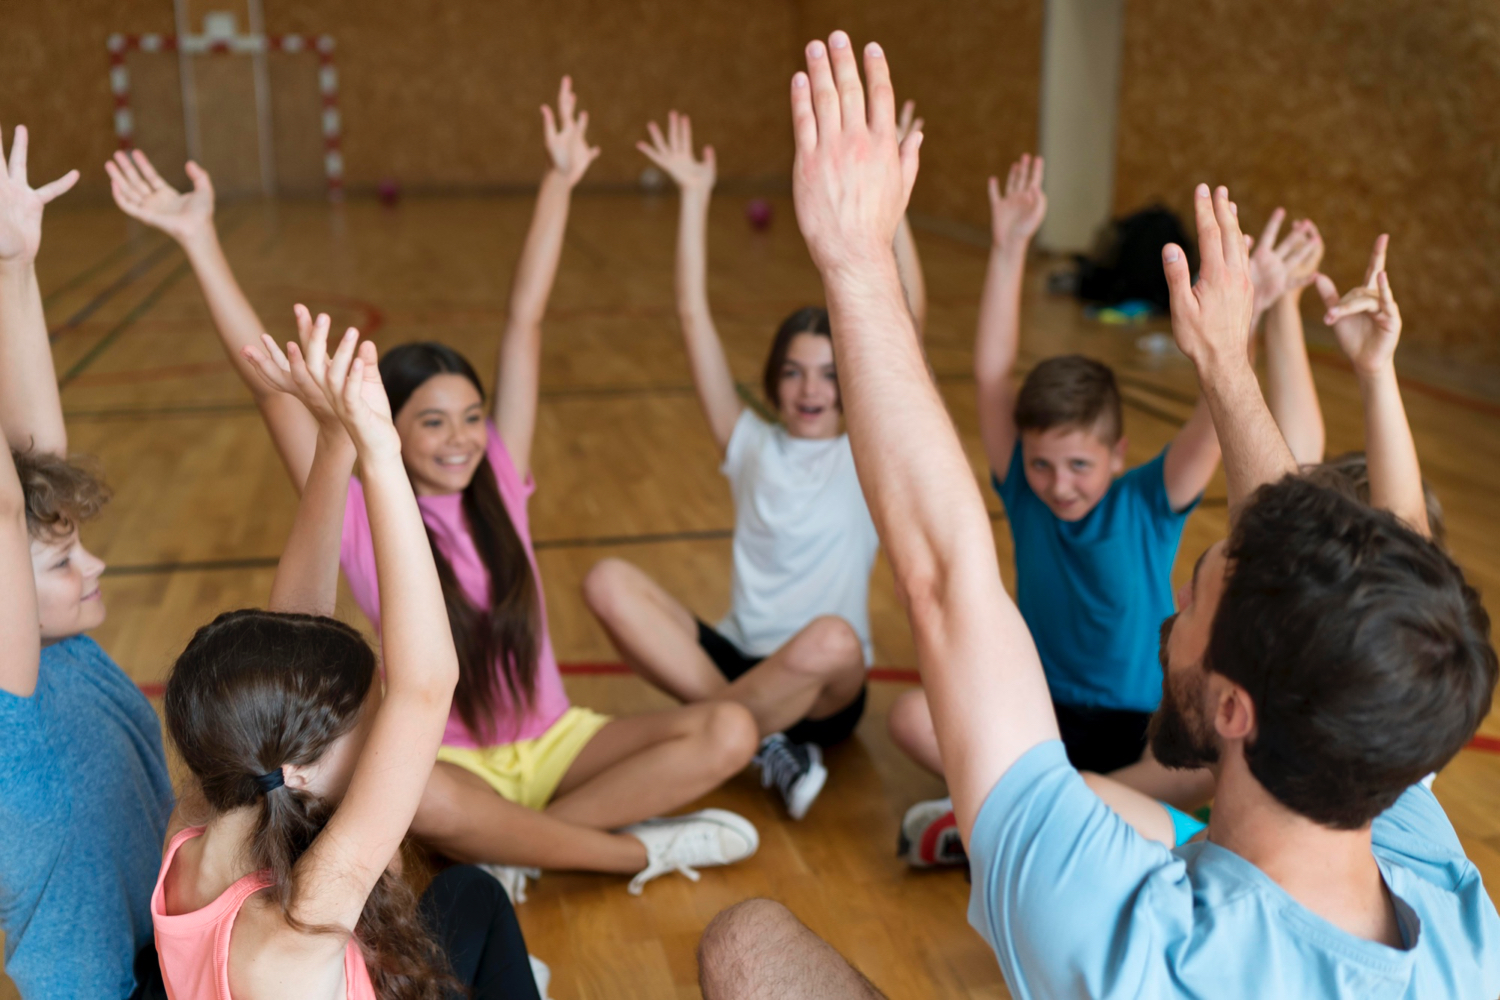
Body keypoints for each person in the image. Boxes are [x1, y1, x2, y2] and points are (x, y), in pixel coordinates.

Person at [698, 37, 1500, 998]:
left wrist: (855, 258)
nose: (1173, 620)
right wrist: (1226, 366)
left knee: (748, 943)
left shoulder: (1131, 936)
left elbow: (949, 575)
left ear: (1237, 708)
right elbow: (1331, 565)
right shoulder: (1442, 888)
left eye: (1200, 599)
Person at [108, 78, 759, 897]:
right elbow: (271, 388)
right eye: (433, 421)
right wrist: (199, 238)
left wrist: (560, 180)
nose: (461, 439)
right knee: (425, 796)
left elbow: (526, 318)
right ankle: (620, 850)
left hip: (558, 743)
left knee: (729, 729)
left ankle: (519, 849)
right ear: (390, 425)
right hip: (449, 764)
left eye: (472, 416)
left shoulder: (502, 482)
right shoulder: (358, 504)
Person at [155, 322, 540, 999]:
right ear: (300, 767)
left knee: (468, 895)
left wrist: (335, 444)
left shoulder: (194, 830)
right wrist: (382, 454)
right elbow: (426, 686)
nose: (378, 727)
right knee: (465, 895)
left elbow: (296, 636)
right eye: (364, 717)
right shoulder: (309, 913)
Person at [581, 105, 925, 819]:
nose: (810, 389)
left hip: (826, 688)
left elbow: (907, 323)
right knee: (607, 580)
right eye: (795, 372)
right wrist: (696, 197)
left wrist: (888, 209)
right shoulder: (748, 444)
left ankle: (716, 734)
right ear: (773, 379)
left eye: (830, 373)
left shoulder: (865, 450)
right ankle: (752, 740)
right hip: (737, 662)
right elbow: (691, 316)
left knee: (832, 638)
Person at [891, 146, 1222, 865]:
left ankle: (1032, 815)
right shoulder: (1024, 492)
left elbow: (1214, 420)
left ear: (1116, 453)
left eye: (1078, 465)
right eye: (1041, 464)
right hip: (1038, 717)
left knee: (1212, 765)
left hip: (1139, 727)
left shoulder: (1149, 499)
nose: (1058, 483)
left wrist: (1235, 326)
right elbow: (988, 374)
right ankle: (1083, 818)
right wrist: (1010, 247)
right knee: (910, 718)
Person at [0, 124, 176, 1000]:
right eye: (64, 562)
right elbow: (5, 512)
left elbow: (39, 459)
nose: (96, 566)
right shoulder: (9, 711)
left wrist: (15, 268)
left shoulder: (64, 647)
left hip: (165, 957)